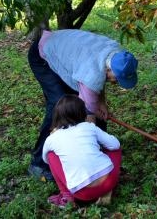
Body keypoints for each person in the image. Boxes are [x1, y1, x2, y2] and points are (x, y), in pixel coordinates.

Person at [27, 29, 138, 181]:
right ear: (109, 68)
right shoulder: (92, 74)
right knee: (60, 105)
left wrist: (102, 103)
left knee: (81, 105)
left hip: (67, 53)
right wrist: (90, 142)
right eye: (117, 78)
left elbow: (100, 81)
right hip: (43, 56)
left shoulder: (116, 55)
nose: (116, 82)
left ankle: (98, 152)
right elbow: (89, 119)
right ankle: (38, 164)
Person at [43, 95, 122, 207]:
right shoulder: (89, 127)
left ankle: (67, 197)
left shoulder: (52, 138)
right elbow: (115, 144)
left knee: (51, 155)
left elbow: (45, 160)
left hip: (83, 193)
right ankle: (105, 191)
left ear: (56, 116)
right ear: (82, 113)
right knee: (115, 148)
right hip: (109, 181)